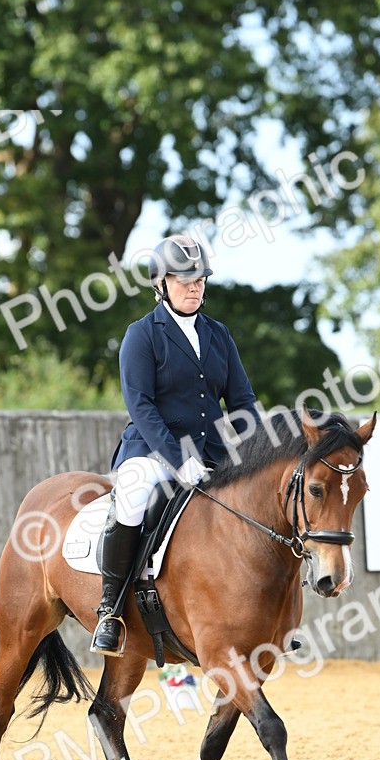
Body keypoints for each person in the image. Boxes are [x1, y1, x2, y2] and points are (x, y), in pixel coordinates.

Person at [90, 233, 259, 655]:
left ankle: (261, 614)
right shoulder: (142, 335)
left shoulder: (219, 334)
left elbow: (242, 401)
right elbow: (141, 406)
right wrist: (179, 460)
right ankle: (110, 610)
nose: (194, 286)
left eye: (200, 278)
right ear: (160, 284)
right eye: (183, 279)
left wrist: (260, 450)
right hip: (152, 452)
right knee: (131, 496)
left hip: (213, 454)